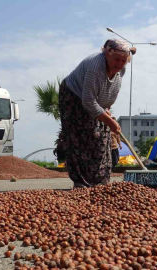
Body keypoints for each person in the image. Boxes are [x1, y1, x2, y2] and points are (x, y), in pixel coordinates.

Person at [59, 39, 136, 188]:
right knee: (82, 137)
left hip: (96, 102)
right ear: (106, 54)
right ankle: (82, 183)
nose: (119, 64)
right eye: (116, 60)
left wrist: (105, 111)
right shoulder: (95, 67)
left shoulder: (121, 68)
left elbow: (105, 90)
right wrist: (110, 121)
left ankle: (100, 183)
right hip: (74, 97)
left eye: (123, 60)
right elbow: (88, 101)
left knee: (103, 137)